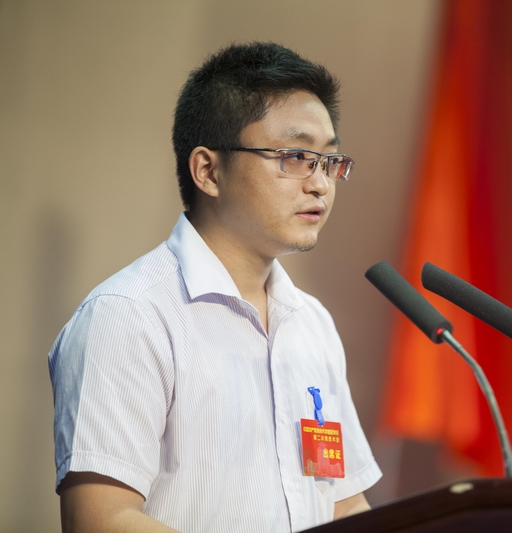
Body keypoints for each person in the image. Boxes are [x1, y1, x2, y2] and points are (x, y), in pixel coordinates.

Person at [49, 41, 382, 532]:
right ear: (208, 171)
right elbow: (102, 520)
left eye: (328, 160)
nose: (320, 184)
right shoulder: (129, 315)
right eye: (295, 156)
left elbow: (343, 505)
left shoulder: (311, 323)